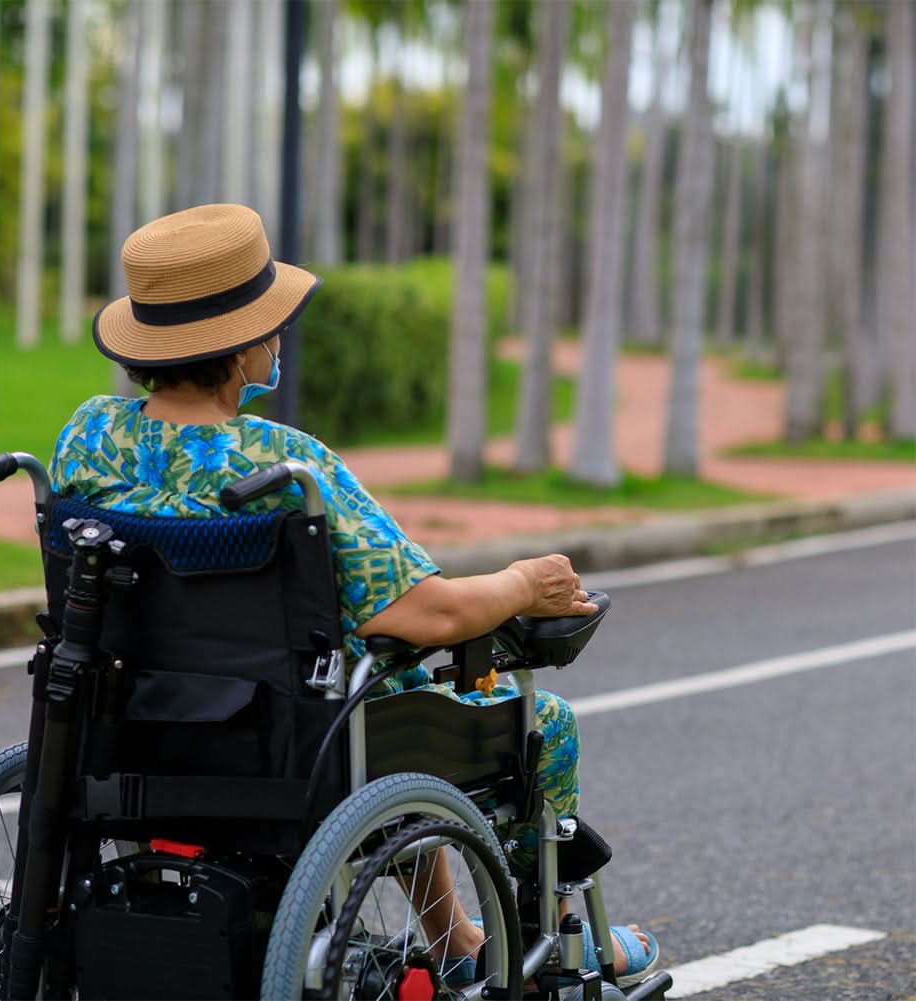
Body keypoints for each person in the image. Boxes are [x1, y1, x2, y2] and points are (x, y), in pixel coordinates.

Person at [49, 203, 657, 985]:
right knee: (536, 719)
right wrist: (524, 583)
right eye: (269, 323)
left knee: (388, 709)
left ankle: (457, 937)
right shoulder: (287, 466)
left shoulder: (87, 437)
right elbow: (424, 612)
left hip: (128, 725)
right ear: (240, 351)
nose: (279, 337)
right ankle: (563, 939)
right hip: (289, 745)